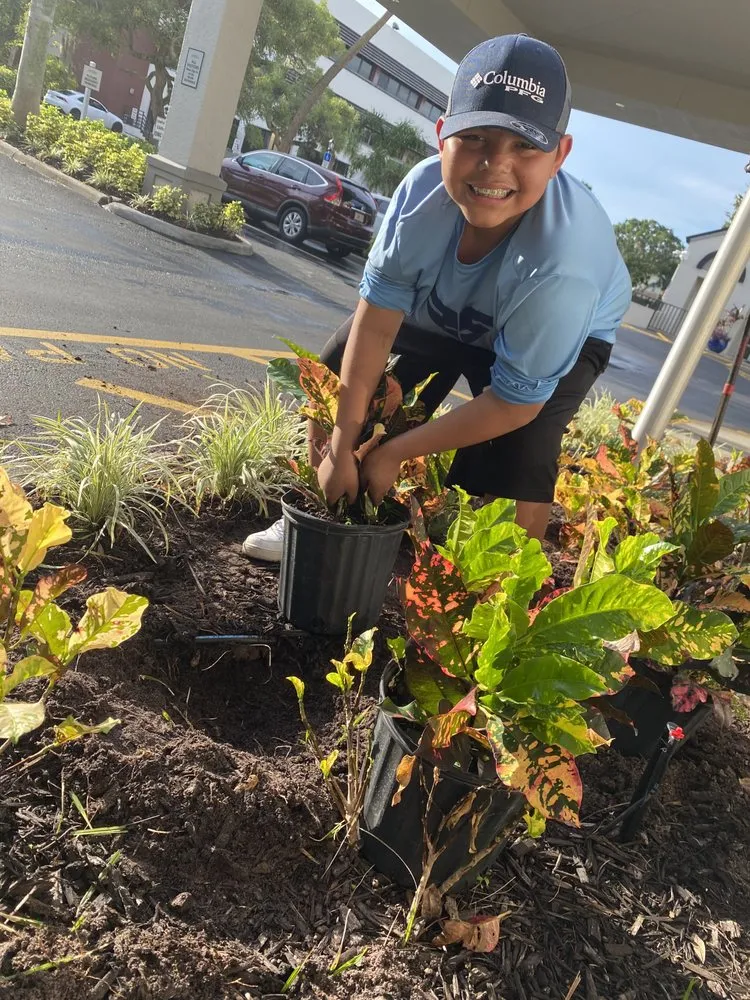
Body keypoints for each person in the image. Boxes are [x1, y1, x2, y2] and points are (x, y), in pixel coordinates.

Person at [243, 33, 631, 562]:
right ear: (442, 135)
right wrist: (341, 445)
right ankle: (320, 519)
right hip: (449, 311)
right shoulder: (419, 198)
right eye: (476, 139)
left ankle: (497, 590)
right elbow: (375, 326)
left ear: (560, 155)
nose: (495, 165)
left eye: (524, 146)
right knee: (337, 373)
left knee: (518, 455)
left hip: (557, 334)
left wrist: (397, 452)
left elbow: (516, 404)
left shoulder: (565, 264)